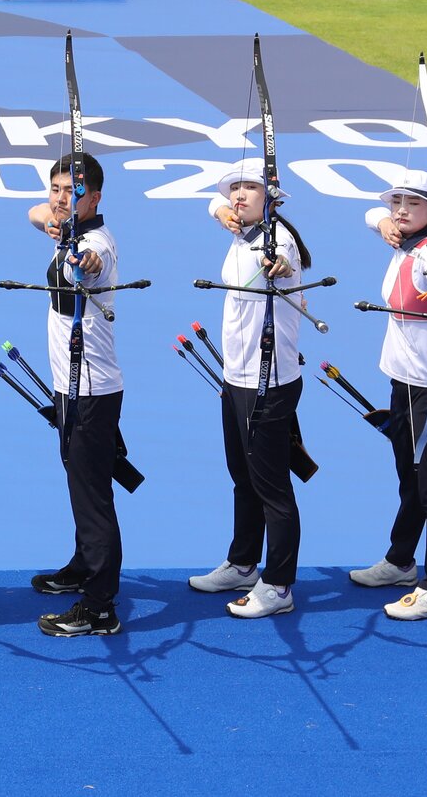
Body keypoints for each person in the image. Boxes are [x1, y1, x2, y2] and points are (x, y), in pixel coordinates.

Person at [187, 161, 306, 619]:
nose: (238, 195)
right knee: (243, 476)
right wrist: (222, 210)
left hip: (268, 383)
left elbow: (282, 261)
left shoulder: (279, 242)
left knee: (272, 487)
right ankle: (242, 564)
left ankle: (278, 585)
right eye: (233, 188)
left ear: (271, 196)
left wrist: (279, 265)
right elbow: (213, 204)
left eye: (249, 188)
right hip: (236, 377)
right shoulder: (242, 229)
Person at [346, 169, 427, 621]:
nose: (400, 210)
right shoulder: (403, 242)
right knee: (409, 479)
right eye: (397, 202)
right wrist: (384, 222)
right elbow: (370, 215)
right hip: (402, 382)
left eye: (413, 203)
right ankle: (401, 562)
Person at [24, 152, 126, 637]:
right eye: (57, 189)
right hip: (71, 385)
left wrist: (80, 256)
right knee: (79, 483)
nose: (63, 198)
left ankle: (101, 606)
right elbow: (35, 212)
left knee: (92, 496)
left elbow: (89, 264)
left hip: (90, 389)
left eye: (74, 191)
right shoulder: (66, 224)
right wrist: (52, 219)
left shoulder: (95, 244)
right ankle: (85, 565)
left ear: (96, 198)